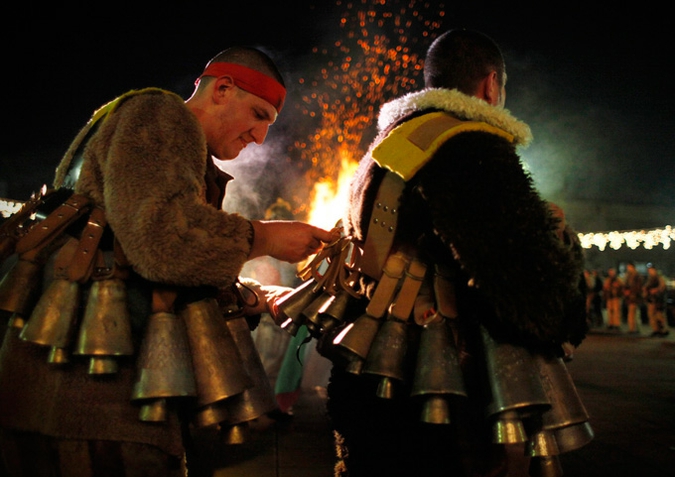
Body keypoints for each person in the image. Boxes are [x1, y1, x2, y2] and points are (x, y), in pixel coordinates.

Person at [0, 46, 335, 477]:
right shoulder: (159, 114)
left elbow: (137, 259)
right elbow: (164, 243)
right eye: (257, 115)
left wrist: (258, 298)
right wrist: (266, 236)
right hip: (91, 412)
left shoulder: (163, 137)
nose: (260, 137)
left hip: (81, 413)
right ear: (223, 90)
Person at [273, 29, 591, 476]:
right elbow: (524, 282)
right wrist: (566, 289)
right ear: (490, 84)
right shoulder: (469, 143)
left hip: (367, 380)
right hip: (436, 395)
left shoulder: (387, 147)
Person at [643, 264, 669, 337]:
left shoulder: (659, 277)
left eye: (651, 270)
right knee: (652, 315)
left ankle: (663, 330)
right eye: (649, 270)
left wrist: (656, 290)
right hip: (651, 300)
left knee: (659, 315)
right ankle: (656, 330)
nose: (650, 271)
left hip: (658, 300)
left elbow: (662, 287)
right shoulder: (650, 279)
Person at [623, 262, 643, 333]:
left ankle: (634, 328)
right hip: (630, 297)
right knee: (632, 313)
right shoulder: (628, 276)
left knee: (633, 313)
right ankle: (632, 327)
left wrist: (630, 291)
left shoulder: (636, 276)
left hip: (634, 297)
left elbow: (638, 287)